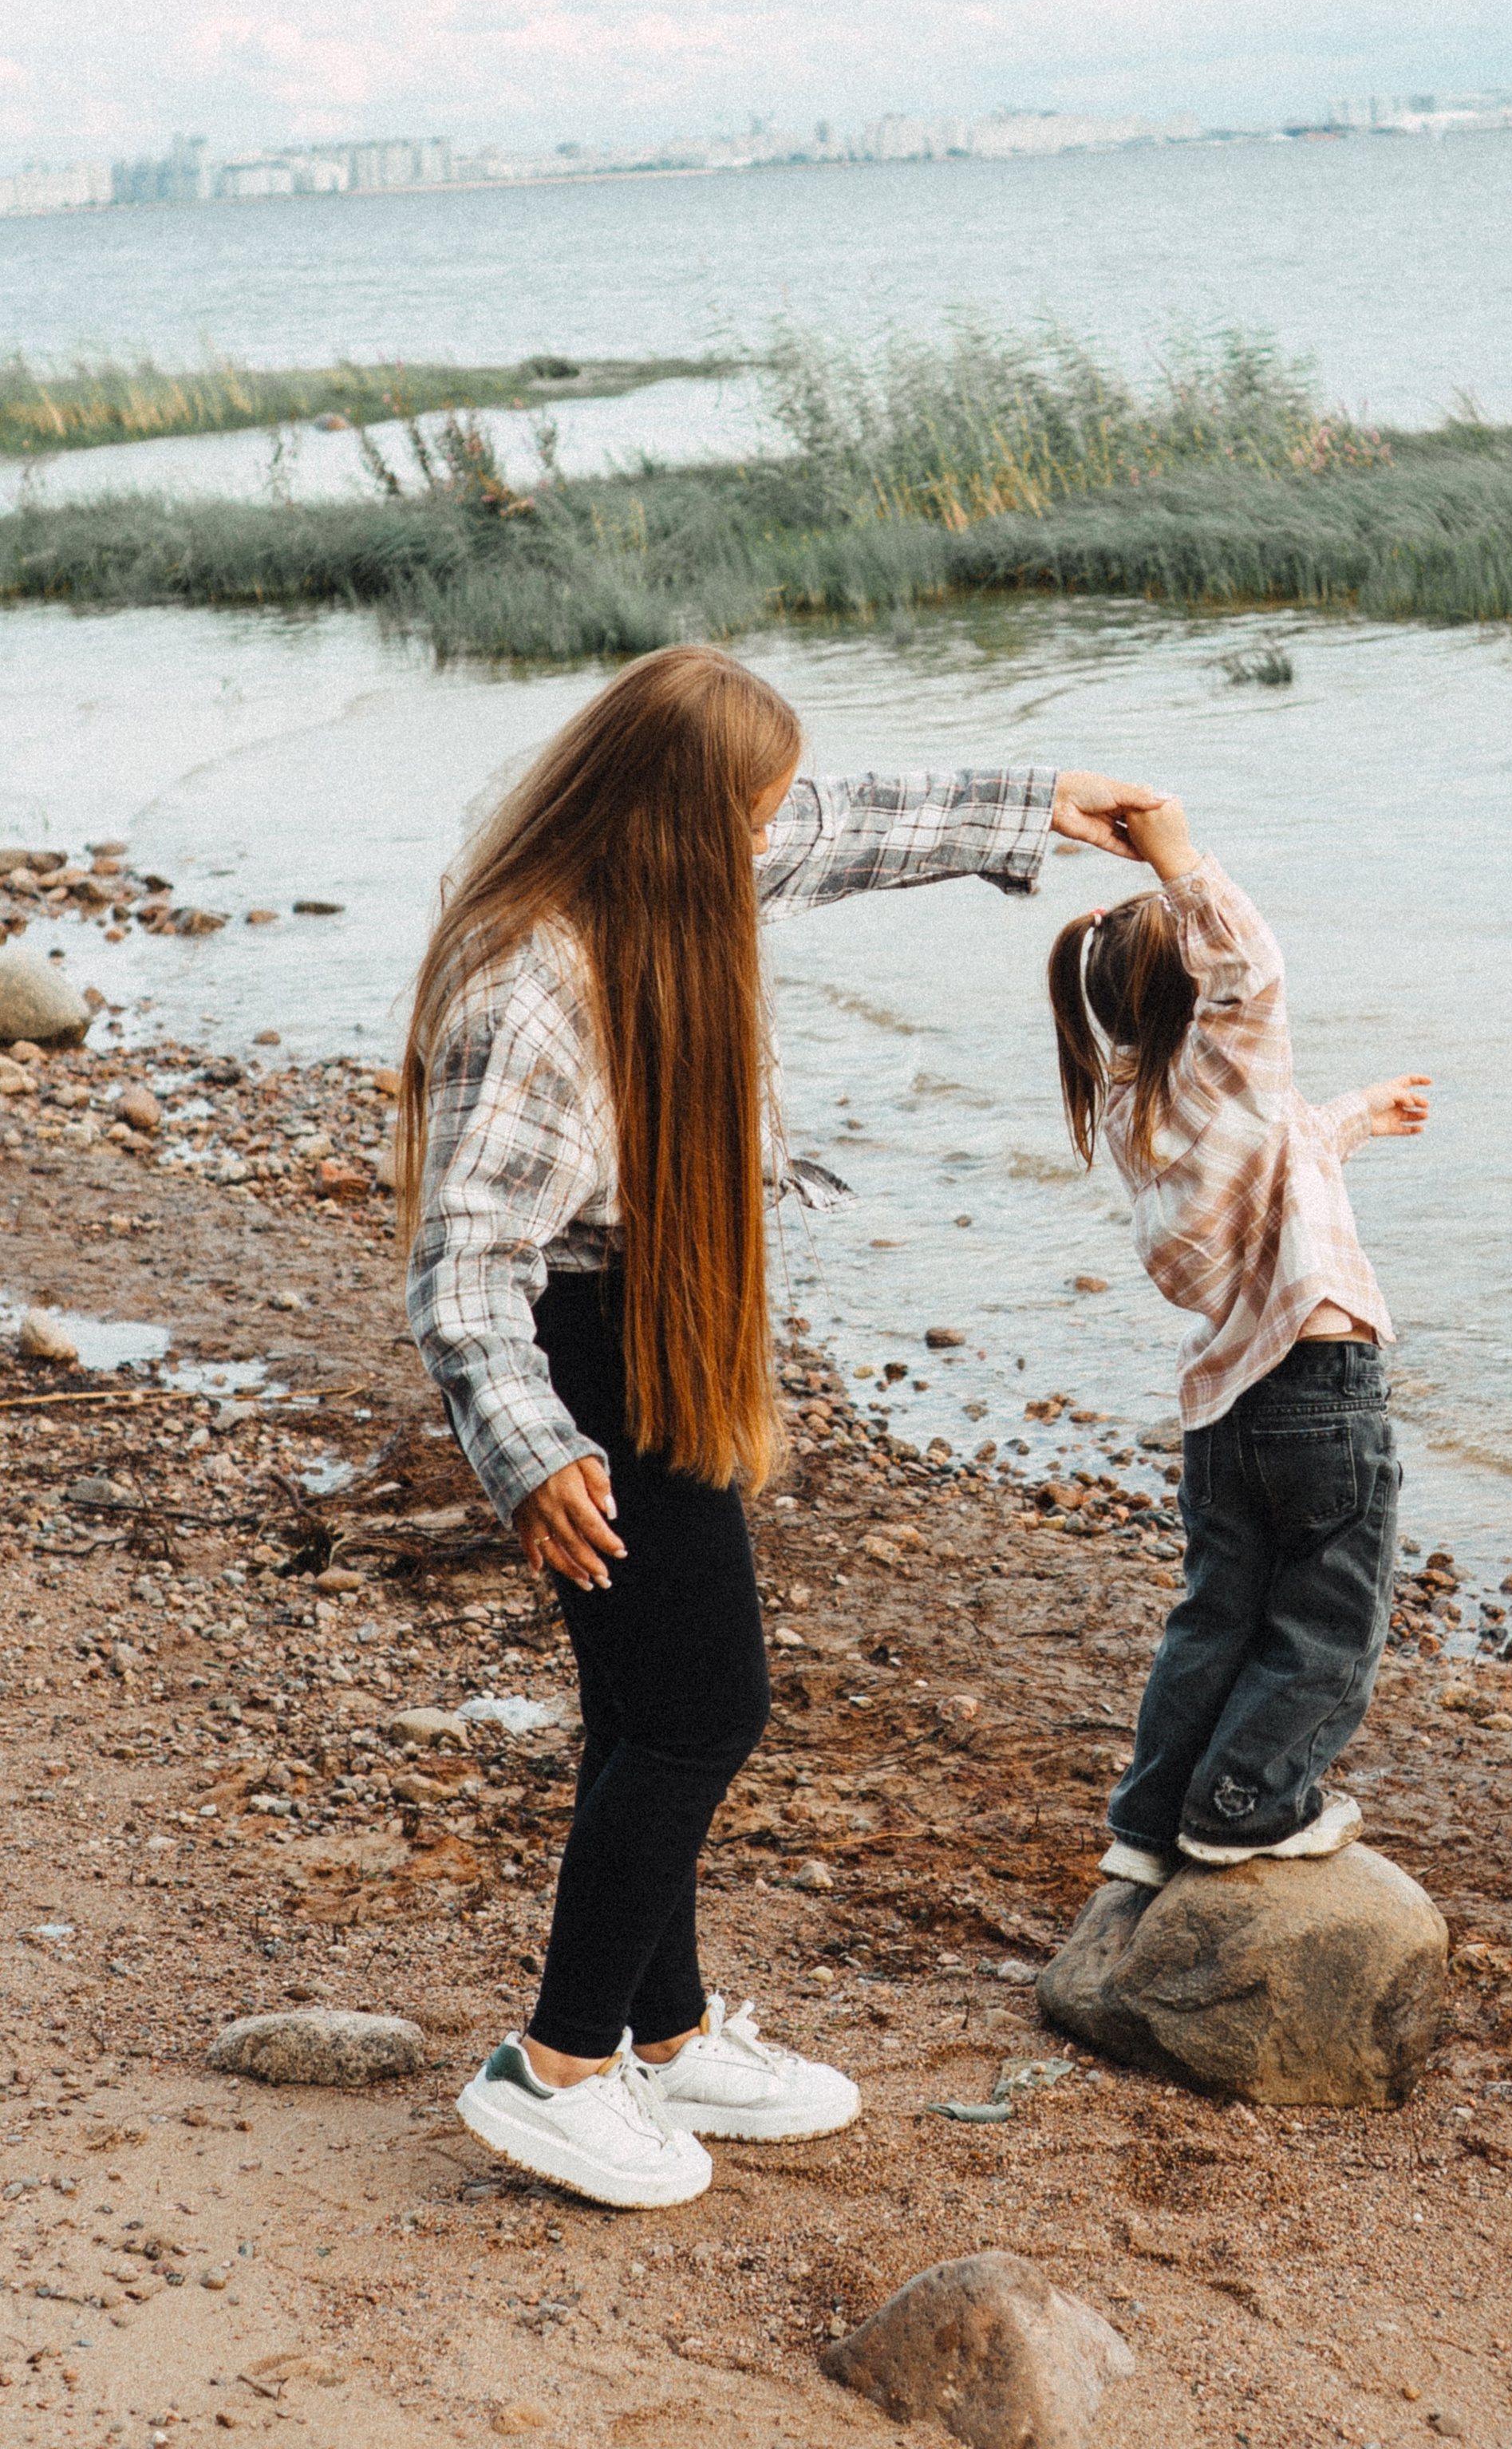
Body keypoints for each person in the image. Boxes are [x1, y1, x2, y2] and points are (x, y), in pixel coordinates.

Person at [399, 642, 1161, 2207]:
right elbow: (464, 1262)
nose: (769, 836)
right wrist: (534, 1451)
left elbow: (849, 820)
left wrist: (1038, 805)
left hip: (656, 1324)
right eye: (744, 816)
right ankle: (552, 2067)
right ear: (674, 820)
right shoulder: (533, 986)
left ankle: (664, 2034)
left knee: (645, 1704)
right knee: (700, 1710)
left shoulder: (668, 868)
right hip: (585, 1356)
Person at [1047, 796, 1429, 1882]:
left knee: (1216, 1619)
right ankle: (1243, 1807)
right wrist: (1172, 853)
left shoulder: (1131, 1100)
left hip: (1225, 1409)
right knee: (1330, 1624)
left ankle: (1149, 1823)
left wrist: (1358, 1113)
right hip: (1319, 1386)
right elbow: (1251, 961)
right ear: (1194, 994)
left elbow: (1276, 1152)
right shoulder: (1232, 1051)